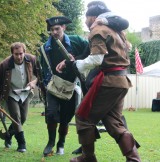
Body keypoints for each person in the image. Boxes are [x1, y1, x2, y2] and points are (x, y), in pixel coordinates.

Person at [56, 1, 141, 162]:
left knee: (83, 117)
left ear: (93, 17)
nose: (86, 22)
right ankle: (133, 159)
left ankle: (88, 157)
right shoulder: (117, 31)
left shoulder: (98, 29)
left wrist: (77, 64)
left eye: (87, 18)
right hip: (121, 81)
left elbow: (96, 58)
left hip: (108, 82)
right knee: (114, 122)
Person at [38, 16, 90, 157]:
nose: (54, 32)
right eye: (51, 30)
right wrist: (44, 87)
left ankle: (61, 143)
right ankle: (50, 143)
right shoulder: (44, 48)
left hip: (72, 86)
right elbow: (43, 69)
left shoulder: (77, 41)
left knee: (66, 117)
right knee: (51, 114)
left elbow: (91, 51)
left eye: (57, 28)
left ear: (64, 28)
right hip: (53, 86)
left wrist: (76, 59)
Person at [0, 42, 37, 153]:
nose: (19, 56)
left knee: (23, 118)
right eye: (16, 54)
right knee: (16, 117)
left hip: (25, 92)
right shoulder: (5, 64)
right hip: (11, 93)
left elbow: (40, 74)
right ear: (12, 53)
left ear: (25, 52)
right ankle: (22, 144)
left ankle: (8, 135)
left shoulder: (32, 59)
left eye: (21, 53)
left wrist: (34, 82)